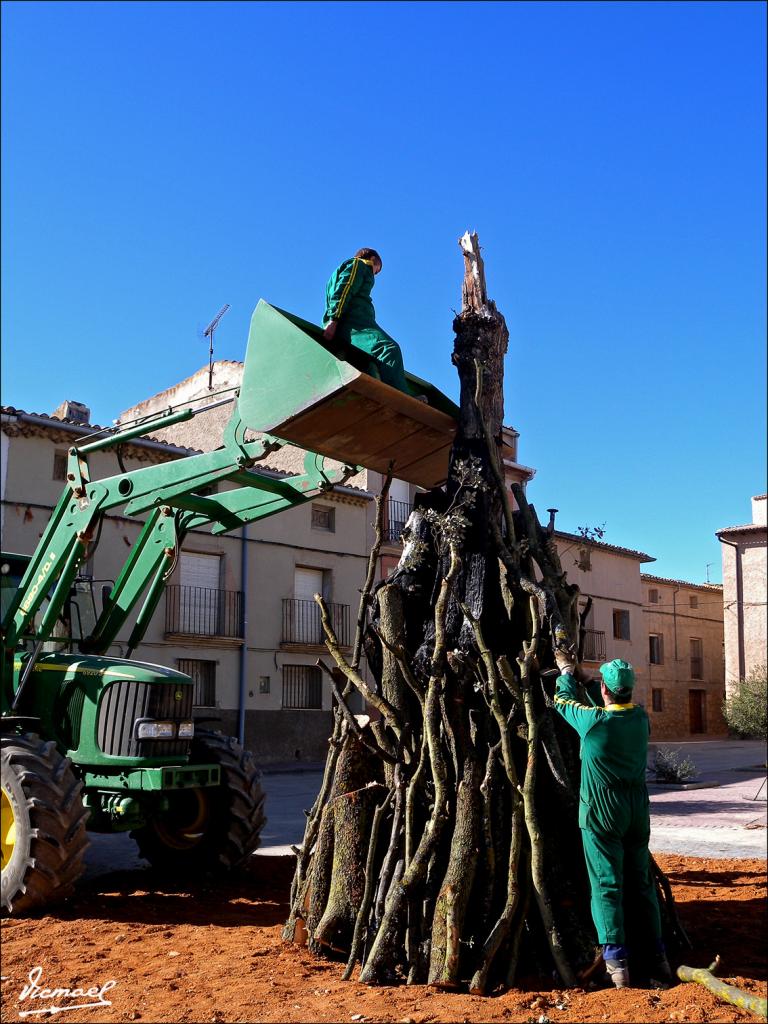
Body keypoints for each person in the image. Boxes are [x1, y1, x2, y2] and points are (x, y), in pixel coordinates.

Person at [553, 653, 674, 990]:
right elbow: (610, 705)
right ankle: (658, 957)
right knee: (642, 883)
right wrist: (591, 682)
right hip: (636, 812)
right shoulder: (640, 719)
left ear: (605, 689)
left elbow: (562, 701)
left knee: (607, 884)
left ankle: (617, 964)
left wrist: (566, 671)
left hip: (603, 812)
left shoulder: (593, 723)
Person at [322, 248, 410, 394]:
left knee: (370, 361)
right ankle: (401, 395)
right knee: (388, 349)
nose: (375, 274)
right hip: (355, 324)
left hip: (354, 323)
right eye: (377, 270)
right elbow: (345, 289)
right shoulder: (359, 264)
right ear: (373, 259)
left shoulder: (341, 272)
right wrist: (334, 319)